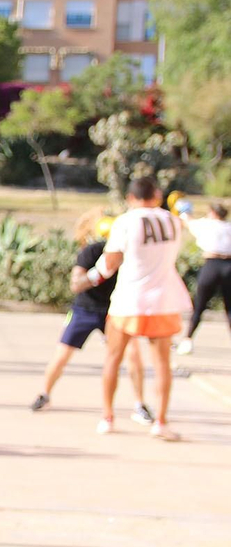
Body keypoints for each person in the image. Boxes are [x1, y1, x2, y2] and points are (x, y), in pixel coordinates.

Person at [86, 177, 193, 439]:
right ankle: (161, 421)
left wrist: (89, 277)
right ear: (156, 196)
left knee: (113, 358)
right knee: (162, 364)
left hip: (129, 299)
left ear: (131, 198)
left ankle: (108, 416)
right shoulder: (173, 221)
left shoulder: (125, 221)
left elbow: (110, 261)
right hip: (163, 299)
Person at [30, 210, 151, 421]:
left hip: (115, 310)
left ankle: (140, 404)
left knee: (133, 354)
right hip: (84, 309)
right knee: (63, 353)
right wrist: (99, 272)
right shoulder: (92, 252)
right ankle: (45, 394)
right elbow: (75, 284)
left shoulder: (129, 254)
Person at [179, 200, 231, 355]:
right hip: (229, 265)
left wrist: (184, 211)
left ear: (213, 213)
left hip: (212, 264)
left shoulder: (207, 225)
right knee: (230, 308)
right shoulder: (228, 227)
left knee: (199, 305)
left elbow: (188, 222)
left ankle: (187, 339)